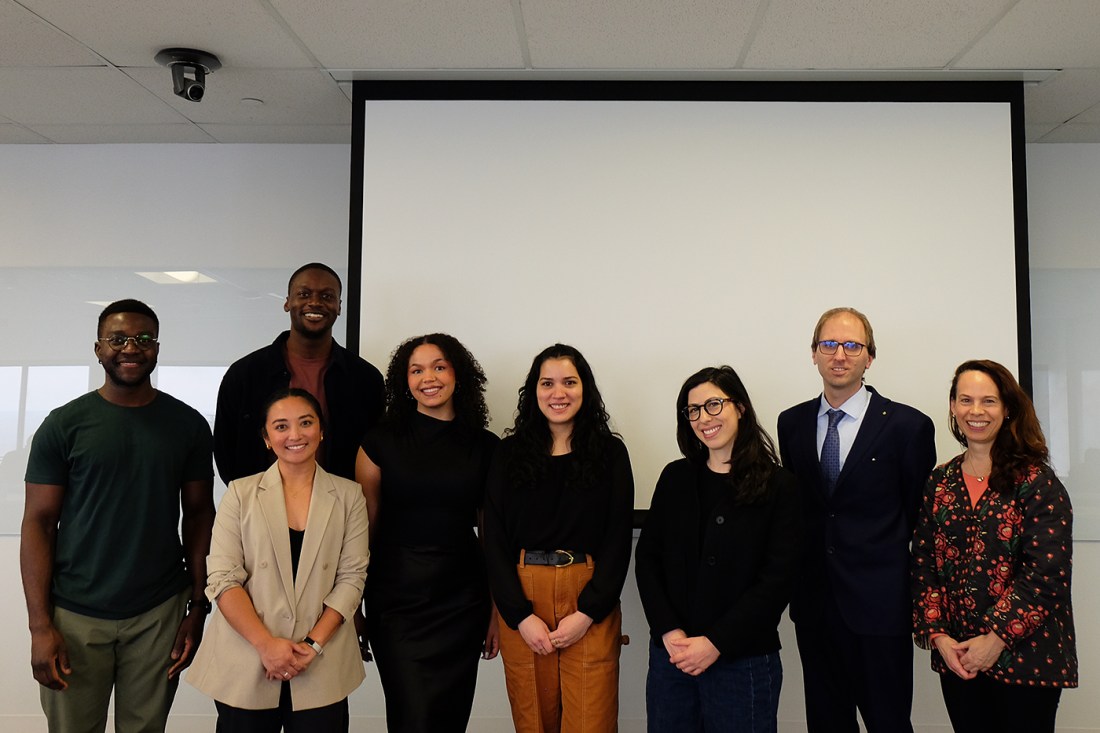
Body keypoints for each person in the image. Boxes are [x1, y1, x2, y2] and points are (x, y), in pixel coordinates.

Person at [21, 299, 215, 733]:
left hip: (158, 612)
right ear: (97, 348)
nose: (131, 348)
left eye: (144, 339)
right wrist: (39, 626)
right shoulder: (64, 425)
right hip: (74, 613)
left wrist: (198, 607)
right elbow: (38, 522)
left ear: (158, 348)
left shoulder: (187, 425)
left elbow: (200, 515)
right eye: (118, 339)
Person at [776, 306, 936, 733]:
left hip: (881, 608)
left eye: (852, 345)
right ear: (814, 354)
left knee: (888, 722)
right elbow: (798, 512)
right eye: (829, 344)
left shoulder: (908, 426)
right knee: (826, 723)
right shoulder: (790, 423)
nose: (840, 354)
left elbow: (919, 519)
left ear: (870, 357)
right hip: (815, 606)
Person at [187, 388, 369, 730]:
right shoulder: (240, 493)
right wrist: (266, 645)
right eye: (281, 426)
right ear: (267, 438)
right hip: (247, 655)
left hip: (321, 659)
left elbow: (352, 578)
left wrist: (312, 646)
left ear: (321, 430)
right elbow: (223, 578)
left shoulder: (349, 496)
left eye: (305, 423)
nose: (295, 435)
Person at [911, 360, 1077, 733]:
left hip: (1027, 660)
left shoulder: (1037, 482)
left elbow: (1046, 574)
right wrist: (939, 636)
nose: (976, 411)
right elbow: (923, 564)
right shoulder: (941, 482)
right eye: (965, 400)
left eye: (988, 401)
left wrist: (996, 639)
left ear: (1007, 409)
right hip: (958, 659)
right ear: (953, 406)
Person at [636, 366, 801, 733]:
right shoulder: (675, 478)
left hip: (742, 662)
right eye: (692, 410)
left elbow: (777, 581)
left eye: (713, 405)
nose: (703, 418)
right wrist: (668, 632)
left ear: (740, 407)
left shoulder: (779, 486)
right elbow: (648, 560)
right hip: (672, 660)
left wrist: (716, 643)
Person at [484, 344, 634, 733]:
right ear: (533, 392)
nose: (558, 393)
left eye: (570, 382)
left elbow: (618, 538)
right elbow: (494, 540)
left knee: (592, 723)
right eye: (547, 383)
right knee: (534, 722)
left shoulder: (610, 453)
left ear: (586, 390)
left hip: (588, 596)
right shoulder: (508, 453)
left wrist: (588, 612)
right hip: (523, 596)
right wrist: (518, 616)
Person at [355, 333, 500, 732]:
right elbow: (362, 531)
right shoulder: (378, 442)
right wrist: (353, 606)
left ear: (459, 374)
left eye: (439, 366)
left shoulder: (486, 447)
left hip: (462, 603)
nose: (428, 378)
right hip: (396, 602)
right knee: (411, 718)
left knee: (450, 721)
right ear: (404, 381)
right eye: (416, 370)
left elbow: (492, 536)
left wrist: (494, 609)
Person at [214, 262, 385, 485]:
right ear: (287, 302)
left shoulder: (365, 379)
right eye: (304, 294)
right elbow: (225, 450)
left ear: (339, 306)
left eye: (327, 296)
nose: (314, 302)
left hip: (340, 511)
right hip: (258, 510)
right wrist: (250, 501)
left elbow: (375, 453)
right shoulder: (244, 374)